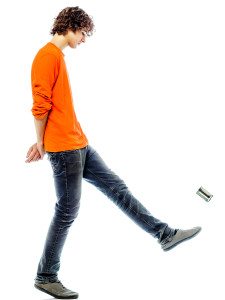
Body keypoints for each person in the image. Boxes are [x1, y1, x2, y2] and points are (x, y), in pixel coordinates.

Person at [25, 6, 201, 299]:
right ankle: (45, 275)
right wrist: (41, 142)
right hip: (64, 149)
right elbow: (39, 106)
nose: (83, 39)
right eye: (83, 33)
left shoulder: (56, 57)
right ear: (73, 26)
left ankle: (164, 235)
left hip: (79, 143)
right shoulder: (46, 57)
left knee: (118, 189)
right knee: (67, 211)